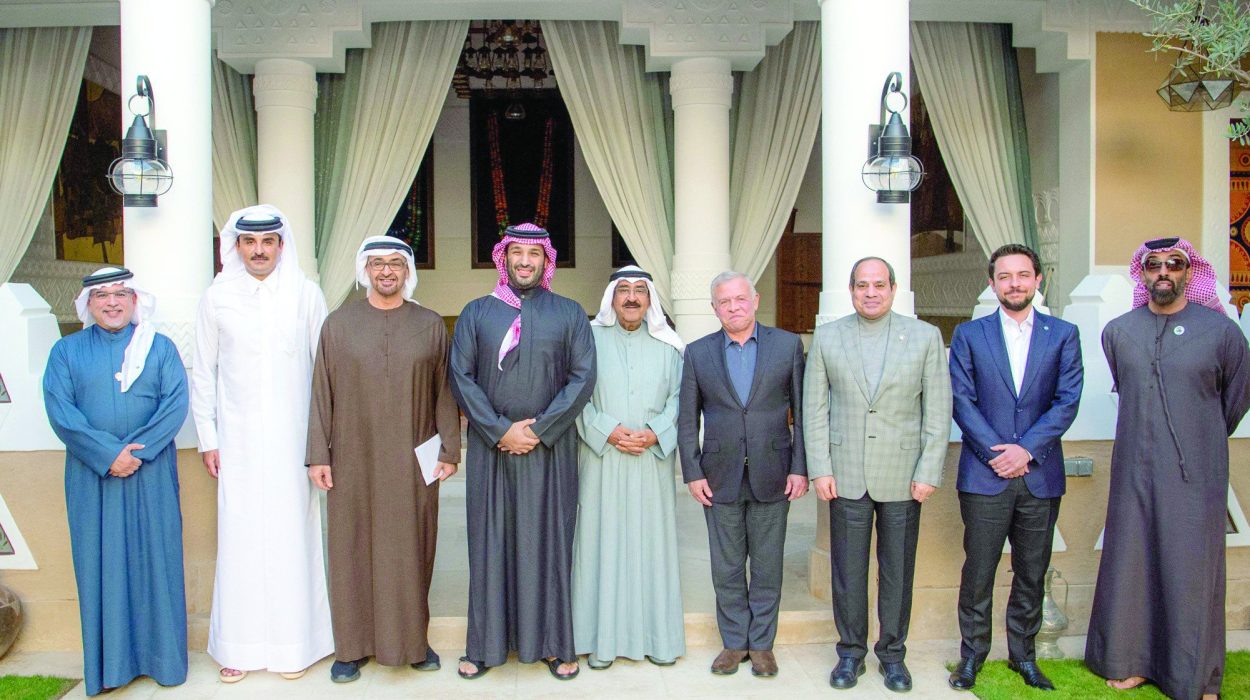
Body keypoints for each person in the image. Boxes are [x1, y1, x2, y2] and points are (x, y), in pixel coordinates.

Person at [1085, 236, 1250, 700]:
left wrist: (1199, 438)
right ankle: (1130, 661)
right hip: (1133, 470)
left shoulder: (1220, 333)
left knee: (1190, 570)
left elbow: (1235, 400)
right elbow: (1129, 386)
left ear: (1189, 272)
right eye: (1153, 265)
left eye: (1173, 264)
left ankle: (1194, 677)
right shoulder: (1119, 331)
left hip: (1196, 473)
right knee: (1132, 562)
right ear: (1142, 274)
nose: (1163, 272)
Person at [307, 235, 461, 682]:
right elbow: (321, 393)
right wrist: (319, 454)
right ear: (365, 270)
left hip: (415, 458)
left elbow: (444, 393)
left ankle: (414, 643)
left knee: (412, 547)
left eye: (395, 263)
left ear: (407, 271)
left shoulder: (431, 325)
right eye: (378, 264)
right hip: (352, 455)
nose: (387, 271)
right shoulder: (338, 324)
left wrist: (450, 450)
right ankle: (351, 648)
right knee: (352, 546)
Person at [190, 205, 332, 682]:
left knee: (295, 539)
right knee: (241, 543)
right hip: (238, 445)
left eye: (267, 242)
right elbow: (203, 372)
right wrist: (208, 438)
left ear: (280, 246)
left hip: (297, 446)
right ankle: (239, 648)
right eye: (249, 243)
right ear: (237, 247)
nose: (258, 250)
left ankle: (297, 648)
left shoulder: (306, 295)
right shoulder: (217, 298)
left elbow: (324, 375)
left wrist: (322, 445)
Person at [450, 222, 596, 681]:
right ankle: (485, 646)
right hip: (490, 450)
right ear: (504, 257)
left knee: (549, 545)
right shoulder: (476, 313)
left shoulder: (570, 313)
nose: (525, 262)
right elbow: (461, 378)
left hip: (550, 452)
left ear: (546, 260)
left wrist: (539, 430)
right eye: (517, 253)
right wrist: (498, 431)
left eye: (534, 255)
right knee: (489, 545)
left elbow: (582, 378)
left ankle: (553, 644)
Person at [803, 257, 951, 693]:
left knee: (897, 570)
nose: (871, 292)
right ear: (850, 290)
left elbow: (938, 411)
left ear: (893, 288)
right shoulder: (829, 338)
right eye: (862, 285)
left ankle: (893, 655)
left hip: (904, 475)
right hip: (845, 473)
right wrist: (820, 469)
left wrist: (928, 470)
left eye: (879, 285)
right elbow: (814, 411)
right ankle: (850, 654)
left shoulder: (925, 337)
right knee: (847, 571)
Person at [43, 267, 189, 696]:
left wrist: (133, 454)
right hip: (93, 477)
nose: (112, 302)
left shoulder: (159, 349)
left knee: (156, 564)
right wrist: (108, 456)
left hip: (152, 474)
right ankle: (110, 669)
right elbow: (61, 412)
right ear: (87, 304)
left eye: (121, 294)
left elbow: (174, 405)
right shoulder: (65, 352)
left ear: (134, 300)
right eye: (102, 295)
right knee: (99, 567)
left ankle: (164, 663)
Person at [946, 244, 1083, 692]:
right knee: (979, 571)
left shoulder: (1063, 334)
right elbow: (962, 402)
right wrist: (997, 453)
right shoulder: (970, 334)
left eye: (1023, 275)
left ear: (1038, 279)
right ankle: (972, 658)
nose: (1015, 283)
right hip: (984, 477)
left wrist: (1025, 451)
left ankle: (1023, 656)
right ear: (992, 283)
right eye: (1004, 276)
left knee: (1031, 571)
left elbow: (1066, 403)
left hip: (1040, 476)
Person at [677, 270, 807, 678]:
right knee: (727, 566)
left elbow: (802, 415)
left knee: (768, 565)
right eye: (724, 302)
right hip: (718, 476)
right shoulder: (698, 353)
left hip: (775, 470)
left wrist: (800, 467)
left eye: (739, 299)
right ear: (714, 309)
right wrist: (692, 471)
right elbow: (686, 420)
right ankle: (734, 643)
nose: (733, 307)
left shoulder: (787, 346)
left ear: (754, 299)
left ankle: (762, 646)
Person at [572, 266, 686, 669]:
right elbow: (575, 395)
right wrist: (608, 430)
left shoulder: (671, 346)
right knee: (600, 544)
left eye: (640, 291)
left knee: (650, 547)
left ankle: (657, 639)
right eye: (624, 291)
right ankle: (599, 641)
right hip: (602, 458)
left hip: (651, 462)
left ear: (651, 299)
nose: (632, 298)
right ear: (611, 298)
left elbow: (682, 398)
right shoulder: (588, 340)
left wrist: (656, 432)